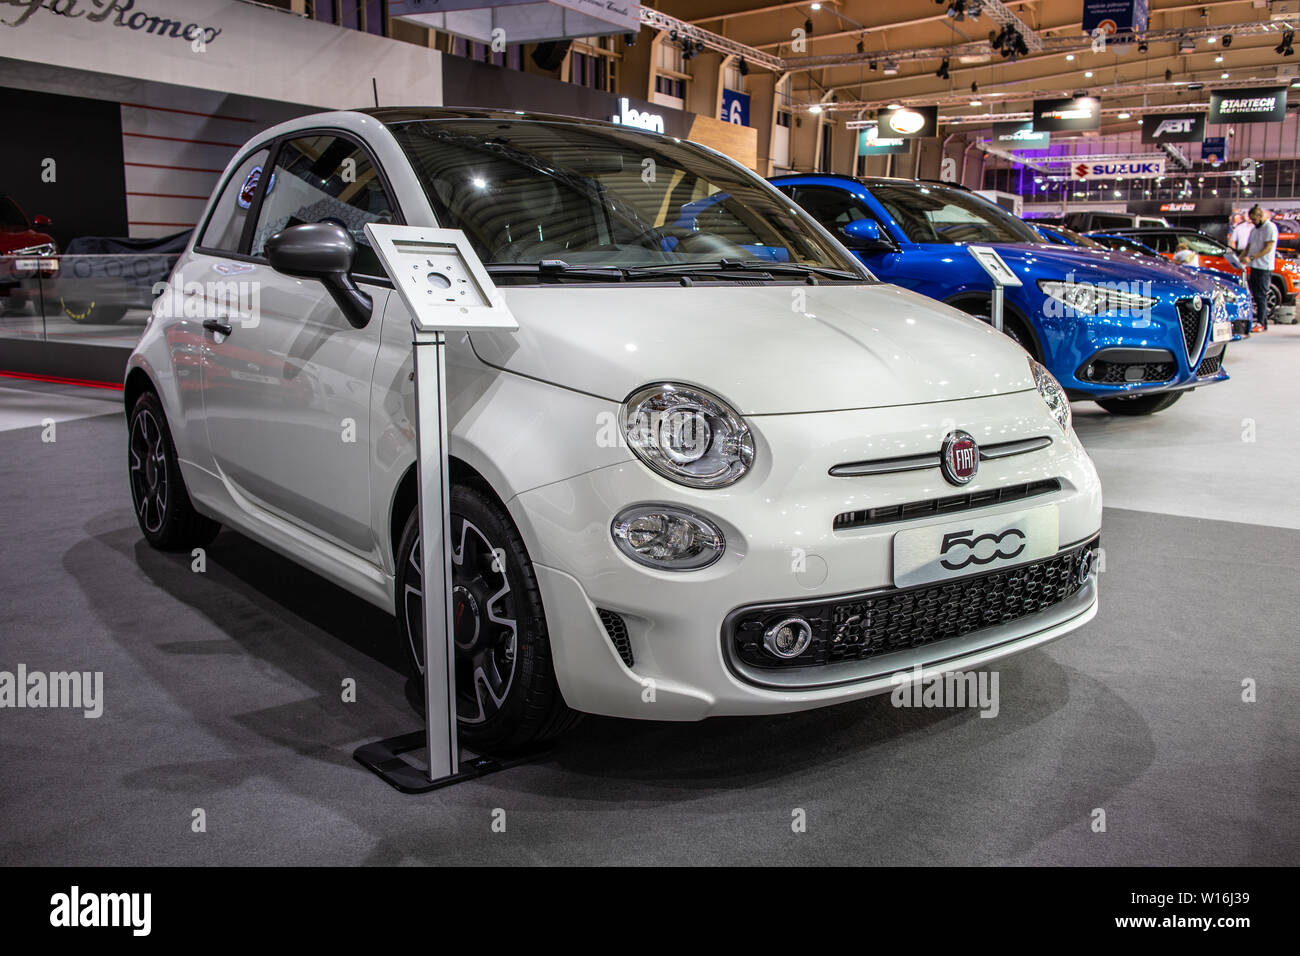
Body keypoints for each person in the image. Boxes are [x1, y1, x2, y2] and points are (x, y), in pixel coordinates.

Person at [1241, 205, 1278, 333]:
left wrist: (1251, 257)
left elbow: (1268, 248)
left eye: (1254, 219)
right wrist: (1241, 257)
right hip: (1254, 267)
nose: (1252, 222)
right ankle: (1255, 321)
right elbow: (1248, 246)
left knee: (1261, 295)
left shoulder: (1270, 228)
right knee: (1254, 295)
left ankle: (1262, 323)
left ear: (1260, 216)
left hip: (1264, 267)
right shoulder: (1254, 230)